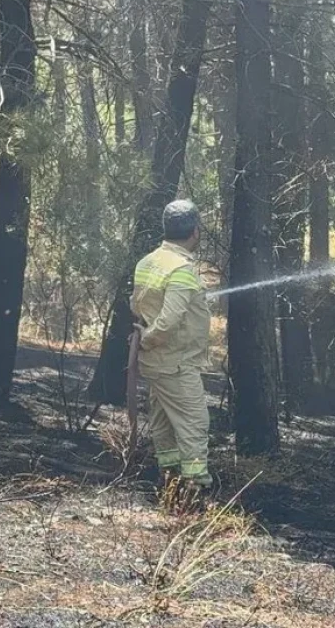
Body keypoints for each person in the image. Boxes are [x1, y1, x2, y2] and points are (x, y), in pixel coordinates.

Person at [130, 200, 213, 489]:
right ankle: (194, 484)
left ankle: (169, 476)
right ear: (195, 232)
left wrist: (145, 339)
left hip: (158, 363)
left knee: (163, 420)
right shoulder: (181, 269)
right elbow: (168, 321)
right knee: (194, 422)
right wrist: (148, 341)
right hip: (175, 362)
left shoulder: (147, 262)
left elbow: (137, 304)